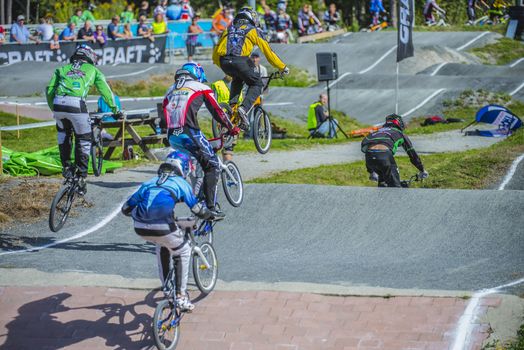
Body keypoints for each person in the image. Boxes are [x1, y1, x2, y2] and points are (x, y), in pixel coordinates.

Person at [122, 151, 217, 312]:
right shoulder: (181, 182)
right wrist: (211, 214)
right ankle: (181, 296)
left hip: (139, 226)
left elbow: (126, 208)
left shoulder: (149, 182)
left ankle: (167, 288)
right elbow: (197, 209)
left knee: (162, 245)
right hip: (163, 225)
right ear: (184, 168)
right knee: (184, 251)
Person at [164, 63, 240, 216]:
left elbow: (163, 114)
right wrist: (231, 127)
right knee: (212, 165)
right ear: (197, 74)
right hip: (189, 133)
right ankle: (209, 208)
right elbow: (218, 111)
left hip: (172, 135)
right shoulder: (200, 87)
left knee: (197, 163)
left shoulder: (171, 89)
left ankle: (196, 196)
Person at [46, 45, 121, 194]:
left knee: (64, 135)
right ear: (90, 57)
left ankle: (67, 168)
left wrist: (54, 108)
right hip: (76, 104)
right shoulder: (93, 70)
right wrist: (115, 110)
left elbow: (49, 90)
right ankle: (81, 177)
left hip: (58, 104)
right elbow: (106, 92)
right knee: (84, 139)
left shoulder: (62, 69)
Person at [212, 7, 288, 129]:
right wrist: (282, 67)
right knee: (257, 84)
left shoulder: (228, 29)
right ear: (251, 18)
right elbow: (268, 51)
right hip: (241, 61)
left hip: (224, 62)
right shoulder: (253, 30)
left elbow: (215, 52)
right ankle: (243, 108)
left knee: (237, 78)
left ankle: (232, 109)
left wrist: (221, 64)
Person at [361, 114, 428, 187]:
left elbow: (367, 150)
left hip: (369, 158)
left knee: (383, 185)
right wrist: (422, 170)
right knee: (395, 188)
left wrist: (371, 171)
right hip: (384, 156)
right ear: (399, 124)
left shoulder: (376, 132)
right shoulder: (400, 133)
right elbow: (412, 155)